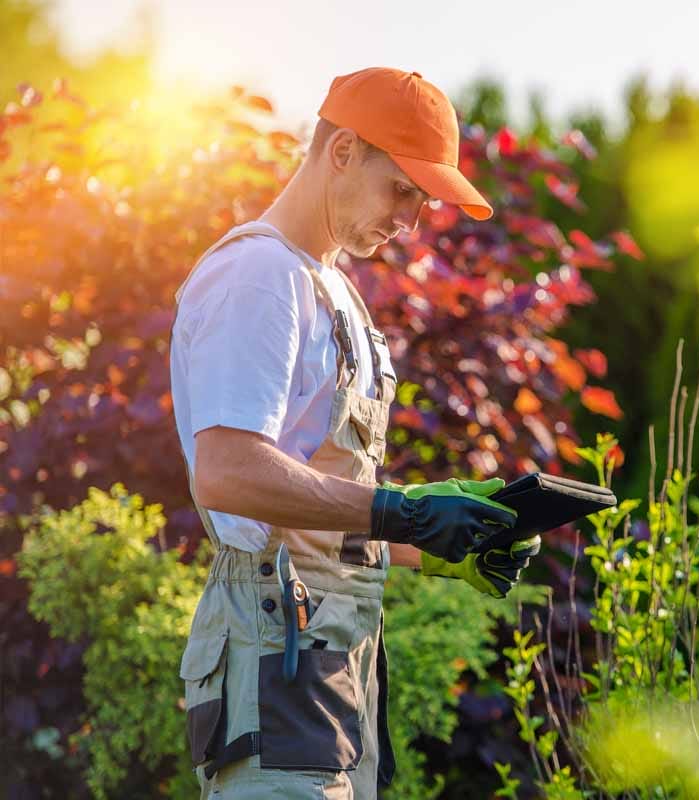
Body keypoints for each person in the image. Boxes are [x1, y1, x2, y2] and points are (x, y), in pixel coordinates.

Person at [169, 67, 540, 798]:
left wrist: (435, 544)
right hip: (275, 653)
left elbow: (324, 508)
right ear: (341, 151)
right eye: (401, 188)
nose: (411, 218)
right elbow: (228, 471)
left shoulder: (333, 288)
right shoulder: (259, 276)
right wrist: (400, 508)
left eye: (423, 200)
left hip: (334, 661)